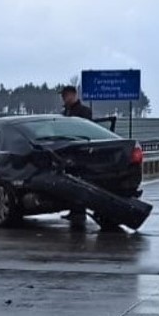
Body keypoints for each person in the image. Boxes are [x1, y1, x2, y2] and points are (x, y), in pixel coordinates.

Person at [59, 85, 92, 229]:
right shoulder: (65, 112)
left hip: (80, 152)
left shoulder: (83, 111)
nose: (63, 99)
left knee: (79, 180)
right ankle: (74, 209)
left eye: (65, 96)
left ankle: (79, 210)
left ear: (72, 95)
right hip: (68, 152)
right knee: (70, 180)